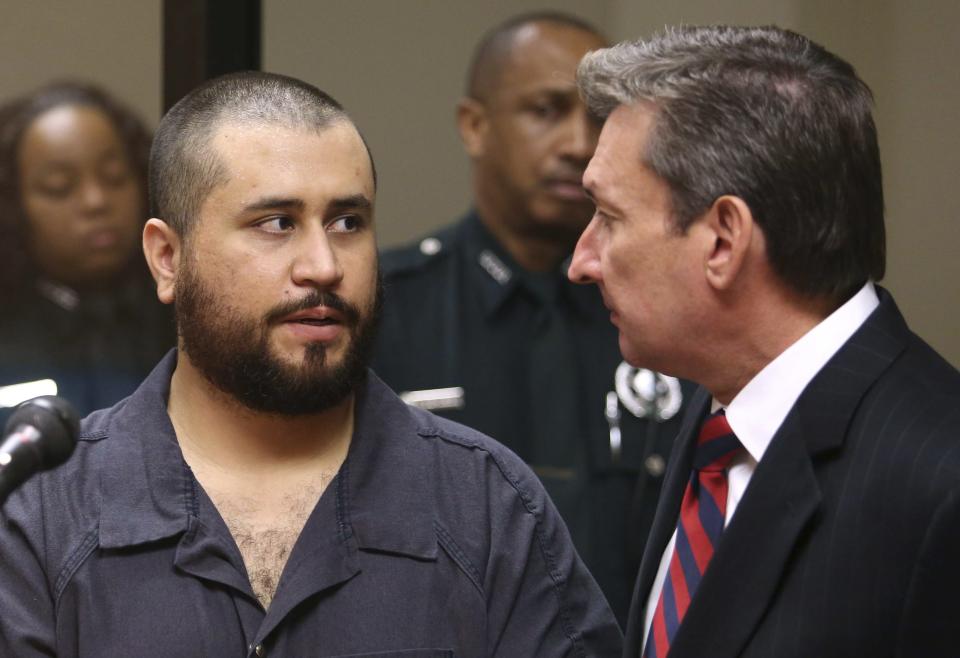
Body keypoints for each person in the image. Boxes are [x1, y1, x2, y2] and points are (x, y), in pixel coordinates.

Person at [0, 71, 622, 657]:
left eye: (349, 222)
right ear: (168, 258)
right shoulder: (46, 515)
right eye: (276, 223)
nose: (324, 265)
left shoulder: (486, 506)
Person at [568, 25, 960, 658]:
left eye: (609, 218)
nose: (581, 261)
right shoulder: (719, 409)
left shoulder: (941, 487)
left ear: (723, 240)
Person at [373, 11, 692, 623]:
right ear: (475, 125)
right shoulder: (388, 308)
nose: (578, 142)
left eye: (599, 117)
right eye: (546, 110)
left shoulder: (666, 315)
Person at [0, 82, 175, 418]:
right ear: (12, 204)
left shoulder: (188, 317)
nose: (96, 202)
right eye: (59, 188)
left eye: (115, 177)